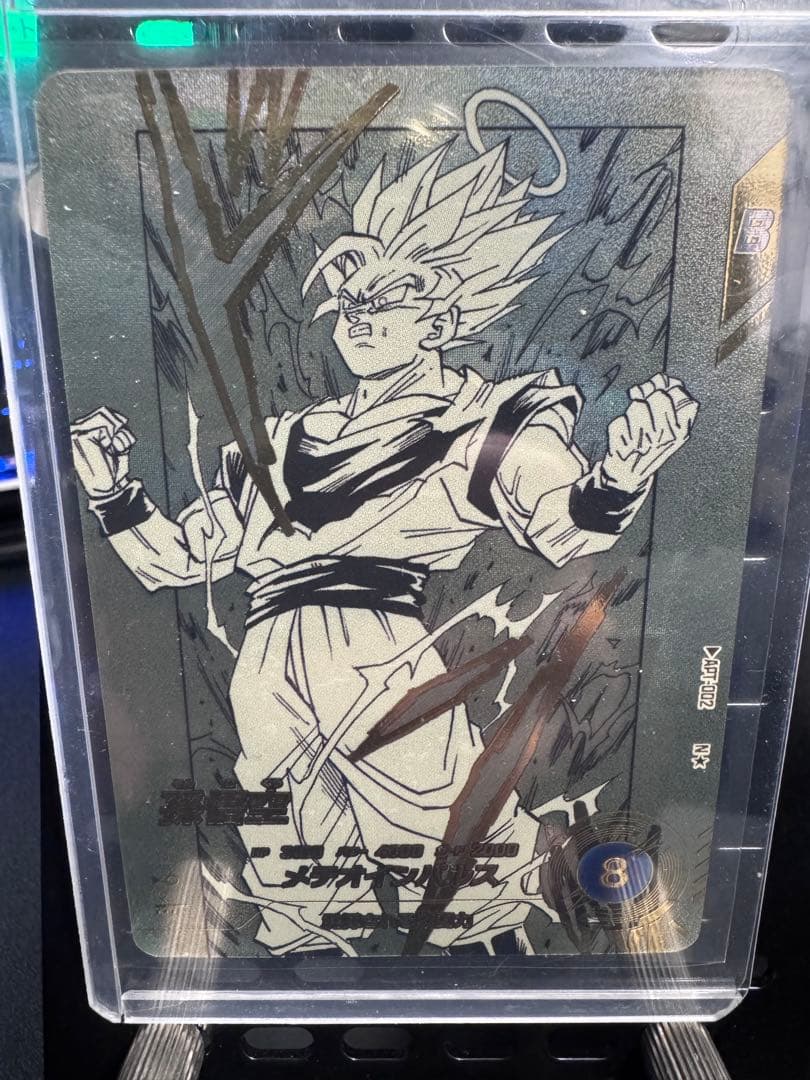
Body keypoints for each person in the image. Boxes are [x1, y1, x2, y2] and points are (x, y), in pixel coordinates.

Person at [71, 139, 698, 956]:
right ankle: (299, 982)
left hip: (378, 656)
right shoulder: (285, 438)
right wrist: (113, 491)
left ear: (440, 316)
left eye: (382, 299)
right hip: (267, 664)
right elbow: (178, 559)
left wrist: (621, 473)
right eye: (345, 305)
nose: (357, 318)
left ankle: (556, 929)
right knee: (292, 864)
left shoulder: (480, 419)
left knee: (455, 838)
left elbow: (561, 523)